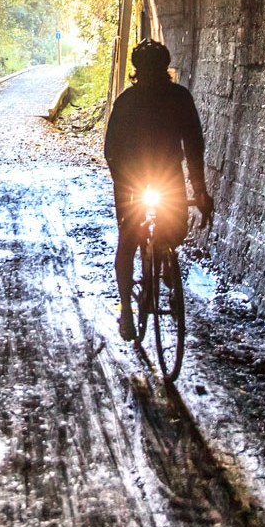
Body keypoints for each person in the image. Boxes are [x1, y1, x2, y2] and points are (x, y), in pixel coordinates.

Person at [103, 39, 214, 340]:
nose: (151, 76)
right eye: (147, 70)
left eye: (155, 70)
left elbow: (194, 146)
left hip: (166, 174)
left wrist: (200, 190)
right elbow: (111, 150)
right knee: (128, 237)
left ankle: (165, 256)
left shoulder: (178, 99)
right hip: (133, 177)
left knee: (175, 228)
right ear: (140, 71)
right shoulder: (128, 103)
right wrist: (122, 183)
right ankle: (126, 308)